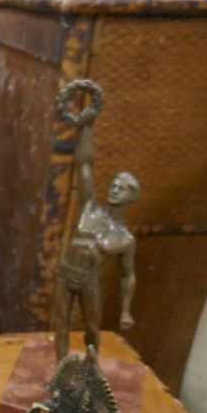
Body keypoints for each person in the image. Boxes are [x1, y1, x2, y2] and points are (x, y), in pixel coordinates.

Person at [51, 80, 138, 360]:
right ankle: (59, 373)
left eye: (121, 188)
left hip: (89, 281)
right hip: (66, 275)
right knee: (60, 326)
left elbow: (128, 275)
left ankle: (91, 369)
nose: (114, 189)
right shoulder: (90, 208)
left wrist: (126, 309)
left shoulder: (124, 239)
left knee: (92, 329)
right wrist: (85, 126)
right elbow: (85, 165)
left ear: (131, 197)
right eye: (113, 184)